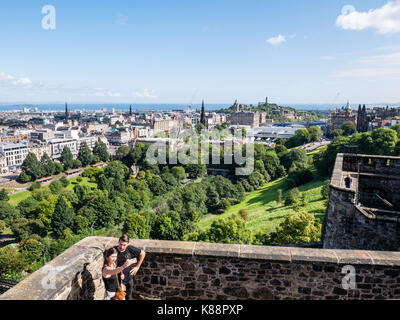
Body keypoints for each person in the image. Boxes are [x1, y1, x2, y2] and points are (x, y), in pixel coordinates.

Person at [114, 234, 146, 300]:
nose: (122, 247)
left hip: (129, 278)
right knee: (119, 298)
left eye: (124, 245)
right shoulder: (113, 250)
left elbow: (143, 253)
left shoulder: (130, 248)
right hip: (119, 280)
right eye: (120, 244)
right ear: (118, 242)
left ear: (128, 244)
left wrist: (137, 267)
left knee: (129, 297)